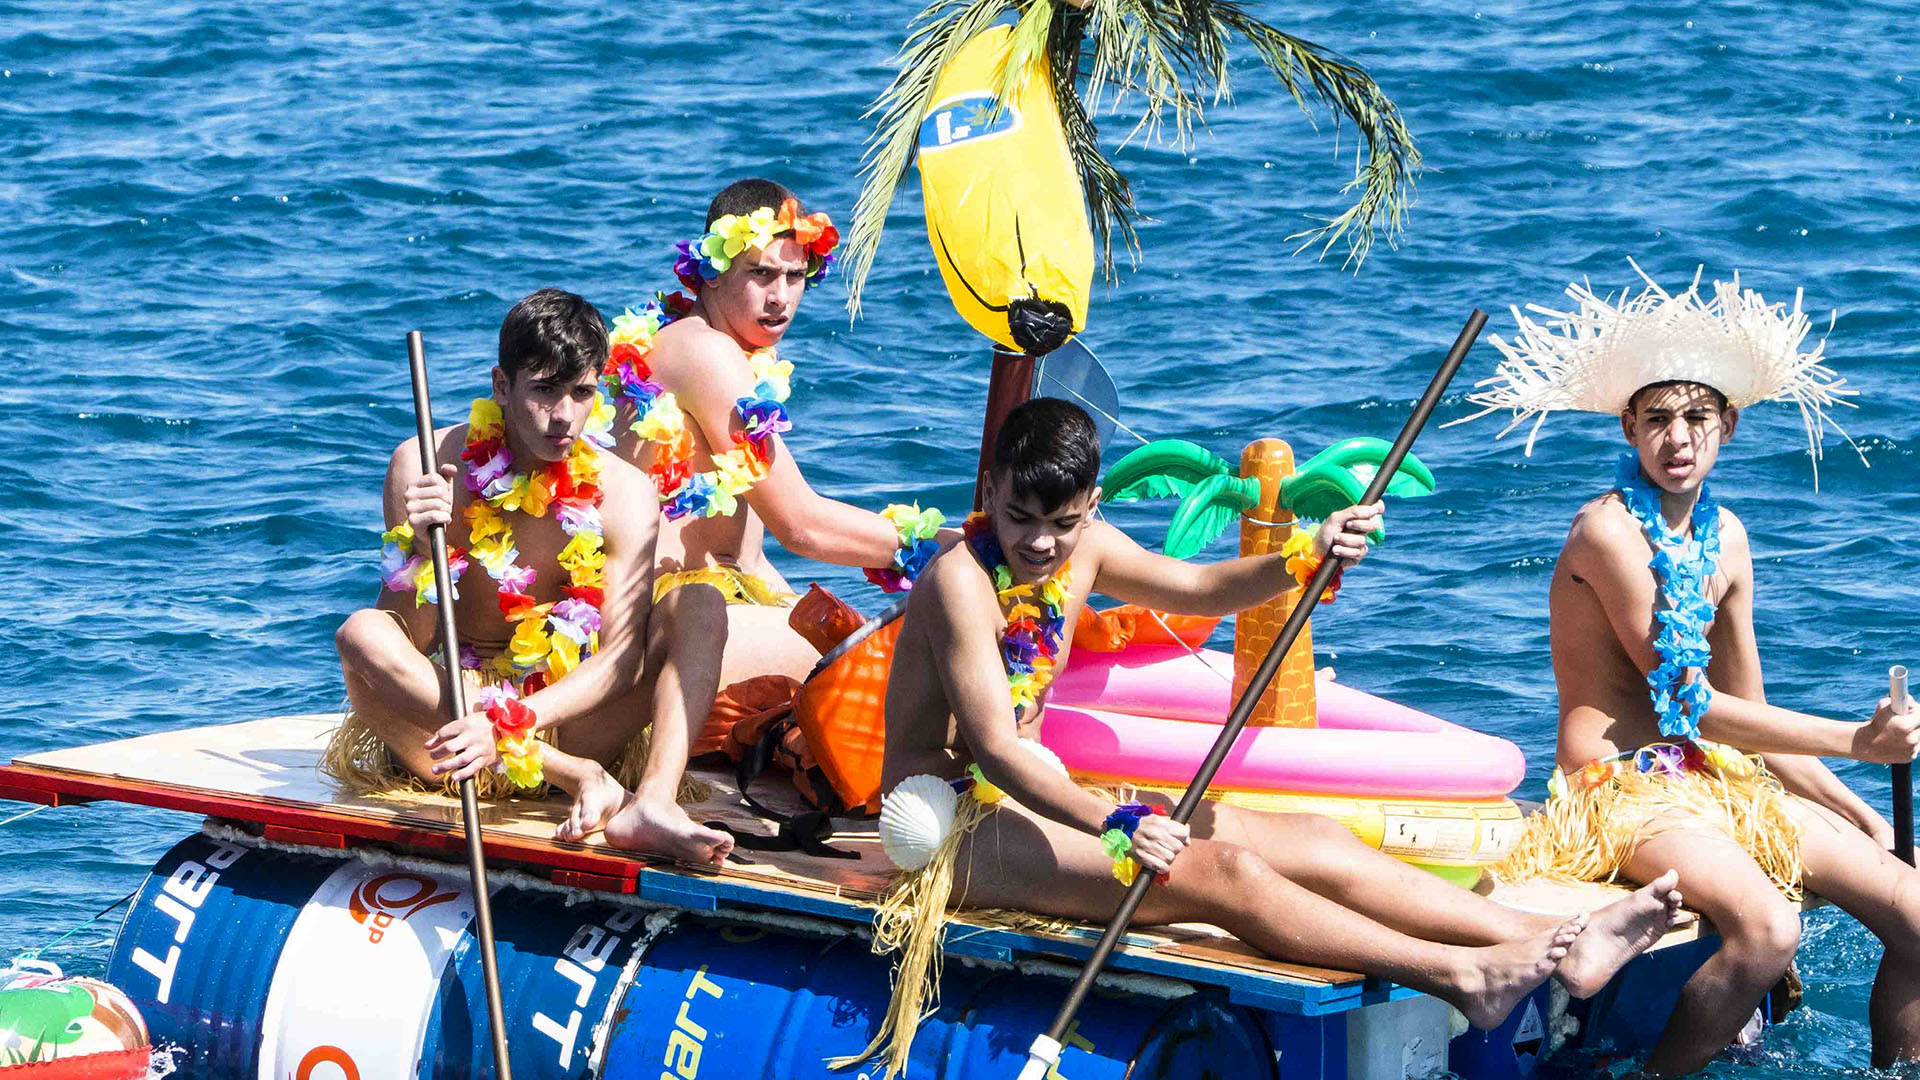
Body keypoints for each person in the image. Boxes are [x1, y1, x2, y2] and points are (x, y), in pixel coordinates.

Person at [842, 397, 1683, 1078]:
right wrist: (1116, 820)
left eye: (1060, 521)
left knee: (1313, 838)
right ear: (990, 489)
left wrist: (1302, 556)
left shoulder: (1083, 548)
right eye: (1020, 515)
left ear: (1091, 506)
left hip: (1039, 792)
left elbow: (1205, 587)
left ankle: (1555, 940)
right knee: (1226, 871)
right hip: (950, 823)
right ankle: (1463, 977)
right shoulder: (958, 580)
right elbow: (995, 745)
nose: (1038, 542)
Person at [1465, 265, 1920, 1073]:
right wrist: (1861, 740)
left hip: (1714, 782)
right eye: (1659, 419)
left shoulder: (1729, 538)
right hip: (1619, 789)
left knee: (1915, 911)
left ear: (1730, 426)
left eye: (1697, 417)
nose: (1679, 438)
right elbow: (1692, 705)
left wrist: (1863, 814)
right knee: (1770, 930)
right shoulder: (1605, 533)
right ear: (1629, 429)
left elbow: (1751, 712)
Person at [594, 178, 959, 864]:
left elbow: (752, 555)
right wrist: (951, 550)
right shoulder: (706, 354)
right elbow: (804, 528)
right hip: (654, 627)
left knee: (860, 639)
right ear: (710, 268)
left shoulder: (717, 349)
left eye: (796, 276)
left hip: (701, 606)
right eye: (760, 273)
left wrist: (816, 612)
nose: (780, 296)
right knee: (915, 656)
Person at [326, 288, 657, 837]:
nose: (563, 417)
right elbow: (412, 636)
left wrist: (515, 722)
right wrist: (422, 539)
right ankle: (573, 776)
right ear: (501, 385)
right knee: (361, 631)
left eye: (581, 393)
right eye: (545, 390)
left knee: (690, 606)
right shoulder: (424, 463)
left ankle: (623, 789)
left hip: (568, 715)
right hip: (449, 723)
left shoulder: (626, 492)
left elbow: (622, 661)